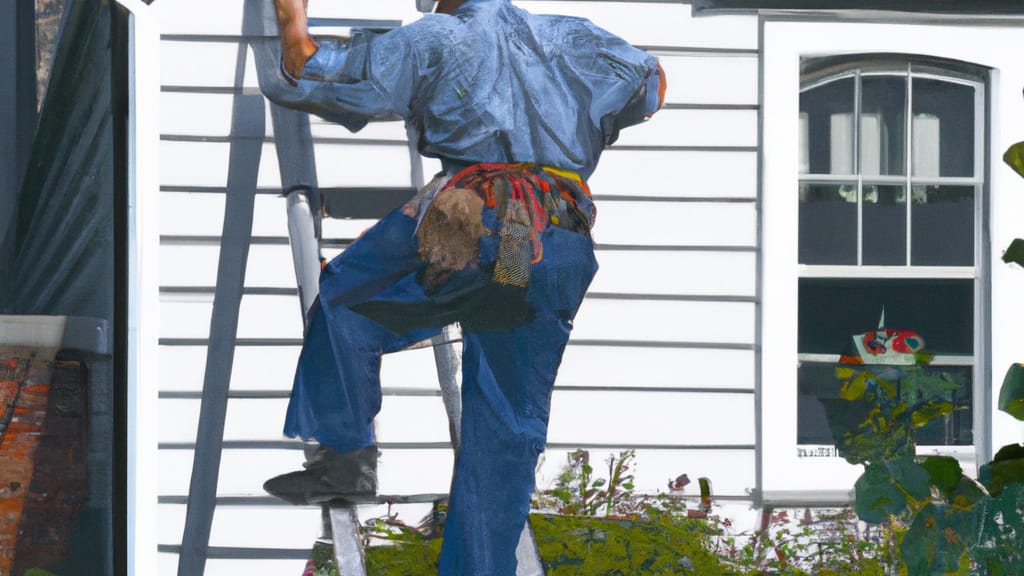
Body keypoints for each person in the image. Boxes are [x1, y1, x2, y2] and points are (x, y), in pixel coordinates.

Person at [260, 0, 665, 573]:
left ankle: (346, 456)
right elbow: (652, 85)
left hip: (480, 218)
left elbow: (308, 67)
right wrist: (574, 119)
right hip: (552, 232)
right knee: (504, 423)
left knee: (347, 298)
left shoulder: (436, 39)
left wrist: (290, 19)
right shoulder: (575, 36)